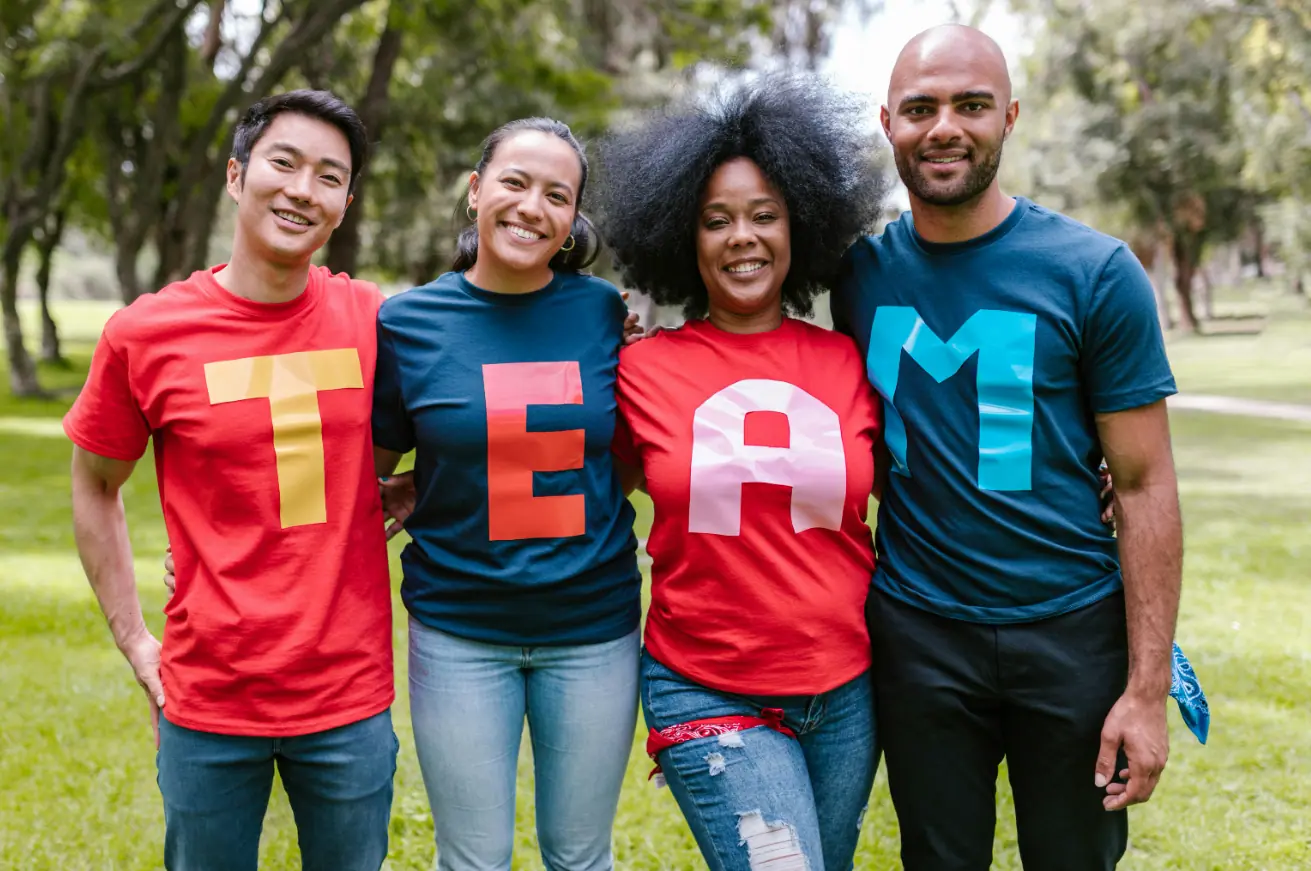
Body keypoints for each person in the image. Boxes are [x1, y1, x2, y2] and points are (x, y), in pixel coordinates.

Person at [831, 25, 1185, 870]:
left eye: (969, 105)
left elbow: (1141, 483)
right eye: (919, 108)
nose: (942, 126)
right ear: (887, 123)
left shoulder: (1094, 273)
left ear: (1010, 117)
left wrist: (1144, 691)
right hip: (919, 632)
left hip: (1070, 632)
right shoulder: (857, 275)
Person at [65, 91, 399, 871]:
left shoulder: (372, 320)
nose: (301, 189)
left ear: (343, 205)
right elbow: (94, 483)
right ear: (236, 175)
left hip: (346, 695)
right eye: (283, 163)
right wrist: (134, 640)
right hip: (208, 694)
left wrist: (415, 487)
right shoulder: (145, 334)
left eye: (328, 177)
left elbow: (474, 404)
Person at [595, 77, 888, 871]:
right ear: (681, 237)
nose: (742, 238)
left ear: (800, 226)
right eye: (715, 220)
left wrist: (1086, 476)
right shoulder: (638, 371)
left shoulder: (850, 362)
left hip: (848, 688)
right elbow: (571, 466)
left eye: (765, 215)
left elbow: (929, 477)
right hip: (706, 683)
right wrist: (431, 479)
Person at [370, 117, 642, 871]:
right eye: (515, 182)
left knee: (580, 854)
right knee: (472, 858)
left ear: (571, 223)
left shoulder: (603, 313)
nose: (532, 206)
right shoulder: (408, 323)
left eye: (557, 195)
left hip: (593, 629)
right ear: (475, 191)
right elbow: (361, 472)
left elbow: (626, 453)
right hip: (460, 630)